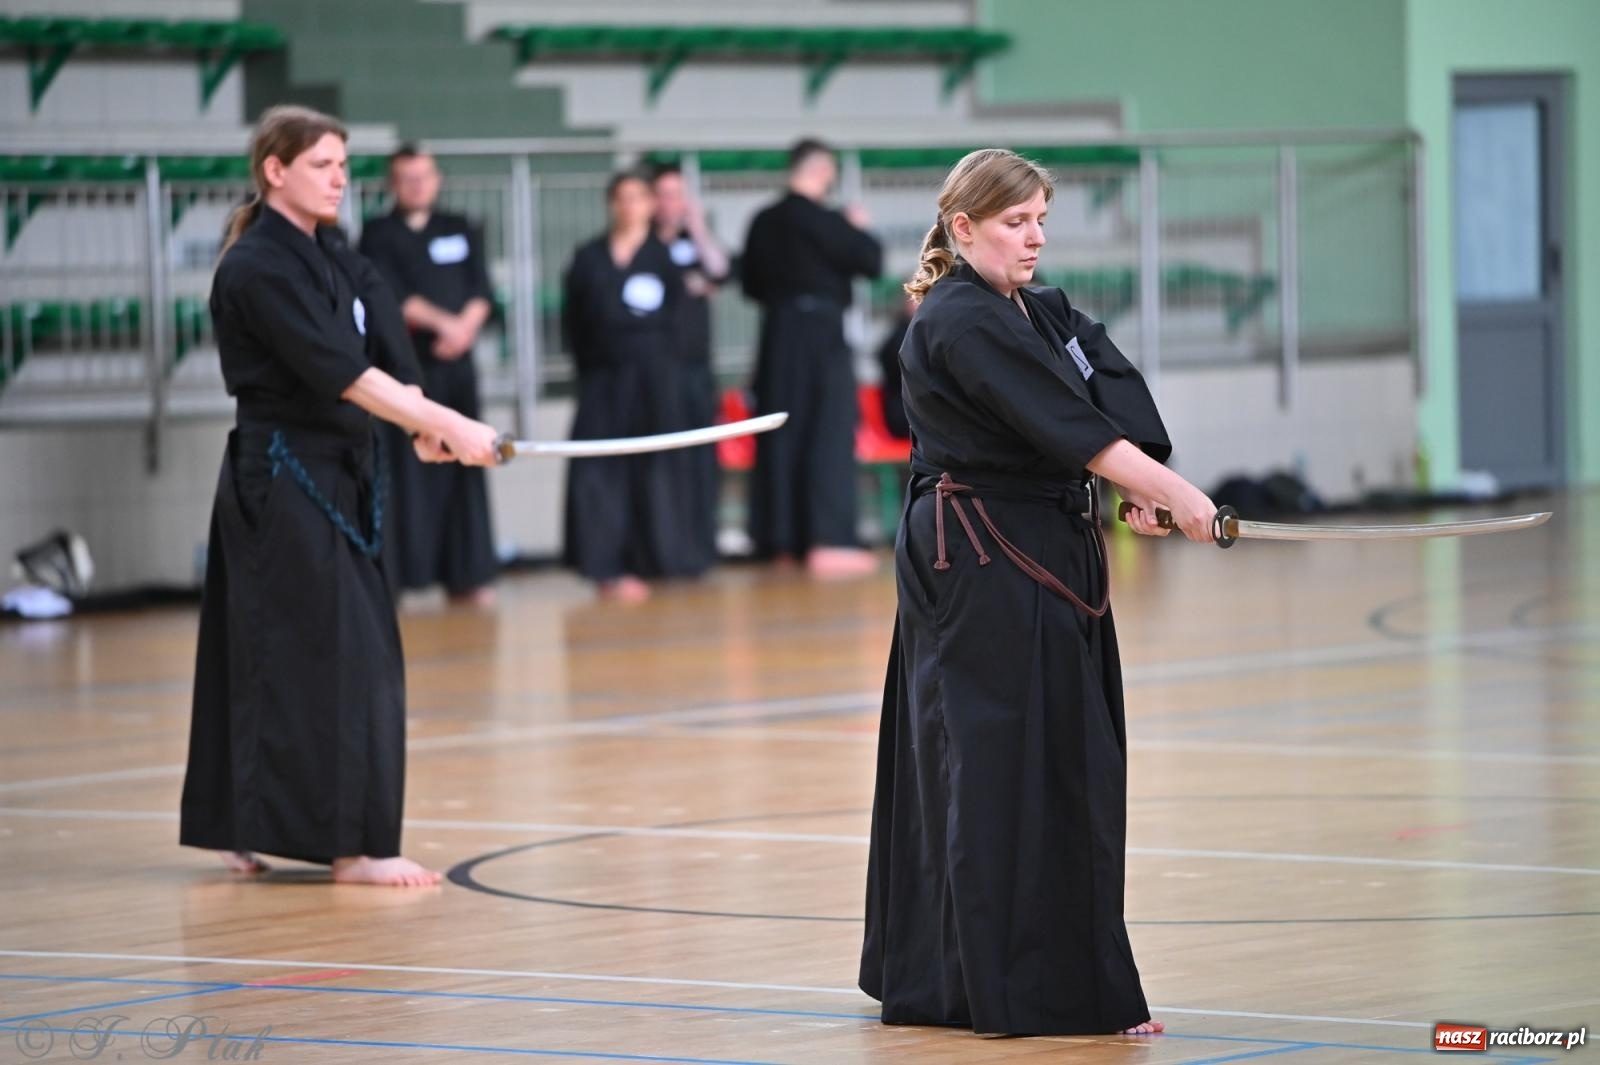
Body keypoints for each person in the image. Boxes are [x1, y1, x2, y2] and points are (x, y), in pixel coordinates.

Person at [858, 149, 1218, 1035]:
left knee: (1072, 760)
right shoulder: (957, 323)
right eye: (1016, 222)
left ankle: (1071, 978)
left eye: (1042, 220)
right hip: (977, 558)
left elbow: (1109, 397)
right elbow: (1066, 427)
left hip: (1049, 550)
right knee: (994, 769)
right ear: (963, 226)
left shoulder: (1042, 309)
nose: (1035, 238)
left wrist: (1147, 481)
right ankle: (999, 986)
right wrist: (1180, 500)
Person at [178, 105, 502, 888]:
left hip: (337, 471)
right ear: (274, 170)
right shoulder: (257, 268)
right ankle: (351, 846)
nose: (338, 180)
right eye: (322, 164)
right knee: (320, 657)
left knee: (321, 653)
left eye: (343, 166)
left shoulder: (337, 259)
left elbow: (381, 342)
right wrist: (445, 420)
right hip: (282, 474)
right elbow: (341, 371)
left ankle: (249, 823)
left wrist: (421, 415)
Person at [359, 145, 499, 605]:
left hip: (458, 366)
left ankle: (468, 575)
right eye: (407, 177)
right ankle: (403, 575)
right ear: (392, 183)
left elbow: (482, 288)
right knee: (405, 470)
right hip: (407, 369)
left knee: (467, 462)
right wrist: (444, 324)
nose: (417, 184)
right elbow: (391, 294)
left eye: (424, 175)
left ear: (437, 179)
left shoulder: (459, 227)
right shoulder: (378, 233)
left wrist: (464, 330)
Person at [741, 138, 883, 577]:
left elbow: (749, 284)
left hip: (778, 334)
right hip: (822, 333)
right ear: (822, 170)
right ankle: (827, 542)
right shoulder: (830, 220)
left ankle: (779, 541)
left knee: (780, 429)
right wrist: (856, 227)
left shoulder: (763, 220)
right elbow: (871, 261)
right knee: (829, 431)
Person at [562, 170, 705, 601]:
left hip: (655, 379)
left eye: (638, 198)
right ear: (612, 204)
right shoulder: (588, 256)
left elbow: (681, 319)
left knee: (656, 470)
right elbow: (574, 322)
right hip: (603, 379)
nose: (630, 207)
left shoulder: (665, 257)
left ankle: (659, 558)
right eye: (622, 198)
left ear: (649, 204)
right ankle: (606, 565)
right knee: (599, 468)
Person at [652, 162, 728, 571]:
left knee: (698, 462)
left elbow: (719, 270)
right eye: (664, 194)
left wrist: (697, 227)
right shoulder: (640, 245)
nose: (671, 204)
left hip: (695, 371)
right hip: (655, 373)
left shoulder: (691, 240)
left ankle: (699, 551)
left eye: (678, 195)